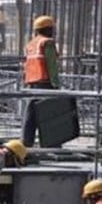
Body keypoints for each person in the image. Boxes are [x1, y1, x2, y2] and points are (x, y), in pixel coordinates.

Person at [21, 15, 61, 147]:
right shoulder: (47, 42)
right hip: (45, 82)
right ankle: (51, 142)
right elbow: (52, 65)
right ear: (48, 29)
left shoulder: (31, 44)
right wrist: (56, 84)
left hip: (32, 83)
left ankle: (26, 142)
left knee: (31, 114)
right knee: (49, 114)